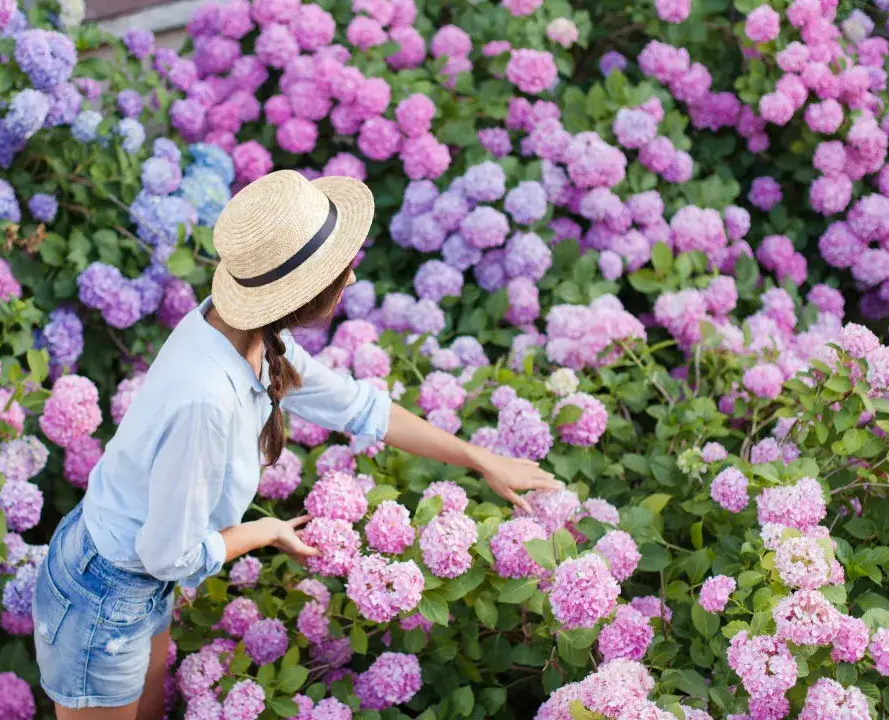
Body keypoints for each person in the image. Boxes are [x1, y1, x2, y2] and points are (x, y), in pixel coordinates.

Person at [33, 170, 562, 718]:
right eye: (339, 269)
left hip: (131, 579)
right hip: (104, 595)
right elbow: (168, 555)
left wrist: (480, 459)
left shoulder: (245, 336)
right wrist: (261, 532)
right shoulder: (207, 400)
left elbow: (359, 406)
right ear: (298, 295)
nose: (352, 278)